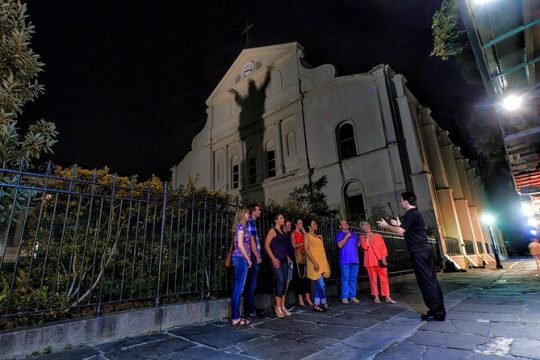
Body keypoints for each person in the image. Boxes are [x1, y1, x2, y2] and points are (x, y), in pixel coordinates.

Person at [377, 192, 446, 321]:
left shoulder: (411, 214)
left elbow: (400, 231)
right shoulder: (415, 214)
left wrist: (387, 226)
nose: (401, 202)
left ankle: (437, 312)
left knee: (426, 282)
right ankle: (436, 310)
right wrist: (398, 225)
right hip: (424, 250)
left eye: (402, 200)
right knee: (430, 281)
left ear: (407, 201)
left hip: (419, 252)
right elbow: (407, 230)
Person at [359, 221, 397, 304]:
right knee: (373, 280)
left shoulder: (378, 235)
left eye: (367, 226)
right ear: (362, 229)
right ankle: (376, 297)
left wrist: (384, 257)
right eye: (364, 228)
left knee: (384, 279)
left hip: (380, 261)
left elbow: (383, 247)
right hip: (369, 262)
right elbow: (365, 247)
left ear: (369, 226)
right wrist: (367, 238)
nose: (366, 228)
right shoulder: (362, 237)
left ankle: (387, 296)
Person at [265, 213, 293, 318]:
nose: (283, 219)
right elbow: (266, 245)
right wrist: (273, 258)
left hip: (284, 259)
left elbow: (282, 247)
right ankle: (277, 307)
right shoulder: (273, 231)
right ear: (276, 220)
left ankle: (282, 306)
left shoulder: (282, 232)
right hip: (276, 260)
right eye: (281, 218)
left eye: (283, 217)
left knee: (285, 282)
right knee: (280, 281)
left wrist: (287, 257)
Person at [230, 207, 253, 326]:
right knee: (238, 288)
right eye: (247, 213)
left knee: (239, 288)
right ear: (242, 214)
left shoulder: (242, 227)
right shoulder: (240, 227)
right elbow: (240, 245)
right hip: (240, 259)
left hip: (240, 259)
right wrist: (248, 260)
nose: (249, 215)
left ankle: (236, 316)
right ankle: (235, 318)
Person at [304, 219, 331, 312]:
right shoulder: (307, 235)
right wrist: (314, 262)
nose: (315, 225)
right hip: (314, 263)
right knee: (321, 285)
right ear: (309, 226)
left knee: (317, 285)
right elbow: (306, 249)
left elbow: (321, 251)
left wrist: (321, 240)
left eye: (315, 223)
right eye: (313, 224)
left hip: (321, 262)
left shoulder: (318, 236)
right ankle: (324, 302)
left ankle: (316, 304)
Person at [335, 219, 360, 304]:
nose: (345, 225)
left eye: (346, 223)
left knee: (353, 279)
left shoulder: (355, 234)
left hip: (355, 260)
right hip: (344, 260)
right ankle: (344, 297)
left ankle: (352, 296)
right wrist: (346, 236)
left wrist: (362, 239)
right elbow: (339, 245)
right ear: (340, 226)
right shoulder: (339, 235)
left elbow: (358, 245)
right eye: (343, 224)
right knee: (345, 279)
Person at [244, 204, 262, 318]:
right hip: (252, 257)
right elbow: (251, 241)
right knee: (252, 284)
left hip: (253, 257)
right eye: (258, 210)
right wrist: (257, 256)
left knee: (251, 284)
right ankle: (249, 309)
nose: (260, 211)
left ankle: (250, 307)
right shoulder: (250, 222)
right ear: (253, 211)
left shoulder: (252, 223)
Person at [292, 219, 313, 307]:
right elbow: (293, 245)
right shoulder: (294, 233)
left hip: (306, 257)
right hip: (299, 257)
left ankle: (307, 297)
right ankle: (300, 298)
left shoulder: (303, 233)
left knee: (307, 278)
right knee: (299, 278)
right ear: (296, 224)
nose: (301, 224)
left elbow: (309, 242)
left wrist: (304, 232)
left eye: (302, 223)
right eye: (300, 223)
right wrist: (302, 243)